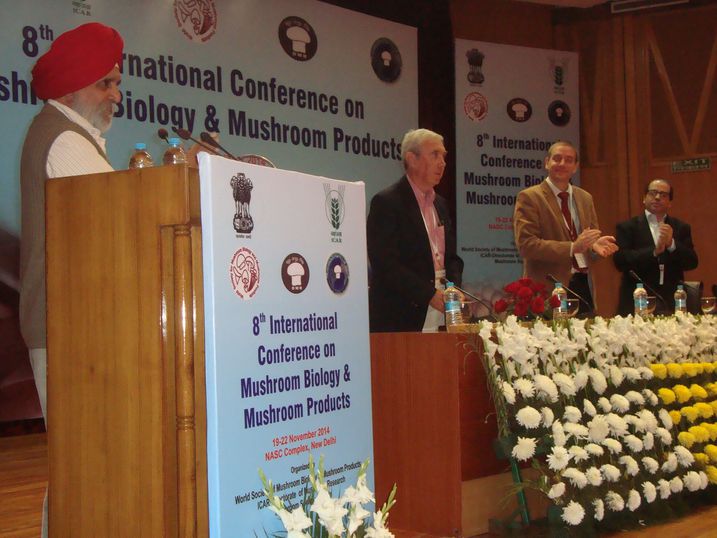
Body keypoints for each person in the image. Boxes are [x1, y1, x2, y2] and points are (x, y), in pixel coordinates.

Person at [19, 22, 124, 538]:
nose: (116, 96)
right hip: (69, 329)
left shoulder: (67, 135)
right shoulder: (64, 138)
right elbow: (124, 214)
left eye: (116, 83)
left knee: (77, 462)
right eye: (106, 83)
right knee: (82, 463)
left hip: (74, 326)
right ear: (70, 89)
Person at [367, 128, 463, 332]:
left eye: (443, 156)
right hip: (403, 314)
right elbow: (386, 264)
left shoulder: (441, 204)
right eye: (435, 155)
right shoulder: (387, 202)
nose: (442, 163)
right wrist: (429, 295)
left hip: (443, 307)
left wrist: (453, 288)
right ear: (412, 159)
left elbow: (452, 258)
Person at [513, 141, 618, 315]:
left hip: (583, 285)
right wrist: (572, 247)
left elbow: (588, 246)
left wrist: (594, 246)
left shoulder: (585, 198)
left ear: (575, 167)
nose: (562, 164)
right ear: (547, 163)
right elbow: (527, 245)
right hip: (548, 289)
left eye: (569, 160)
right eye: (557, 158)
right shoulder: (530, 197)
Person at [613, 179, 698, 316]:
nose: (657, 197)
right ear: (644, 198)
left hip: (672, 301)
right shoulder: (627, 227)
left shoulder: (681, 227)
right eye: (653, 193)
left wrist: (672, 245)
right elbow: (620, 261)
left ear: (670, 202)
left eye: (663, 195)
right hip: (636, 299)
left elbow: (692, 262)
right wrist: (653, 252)